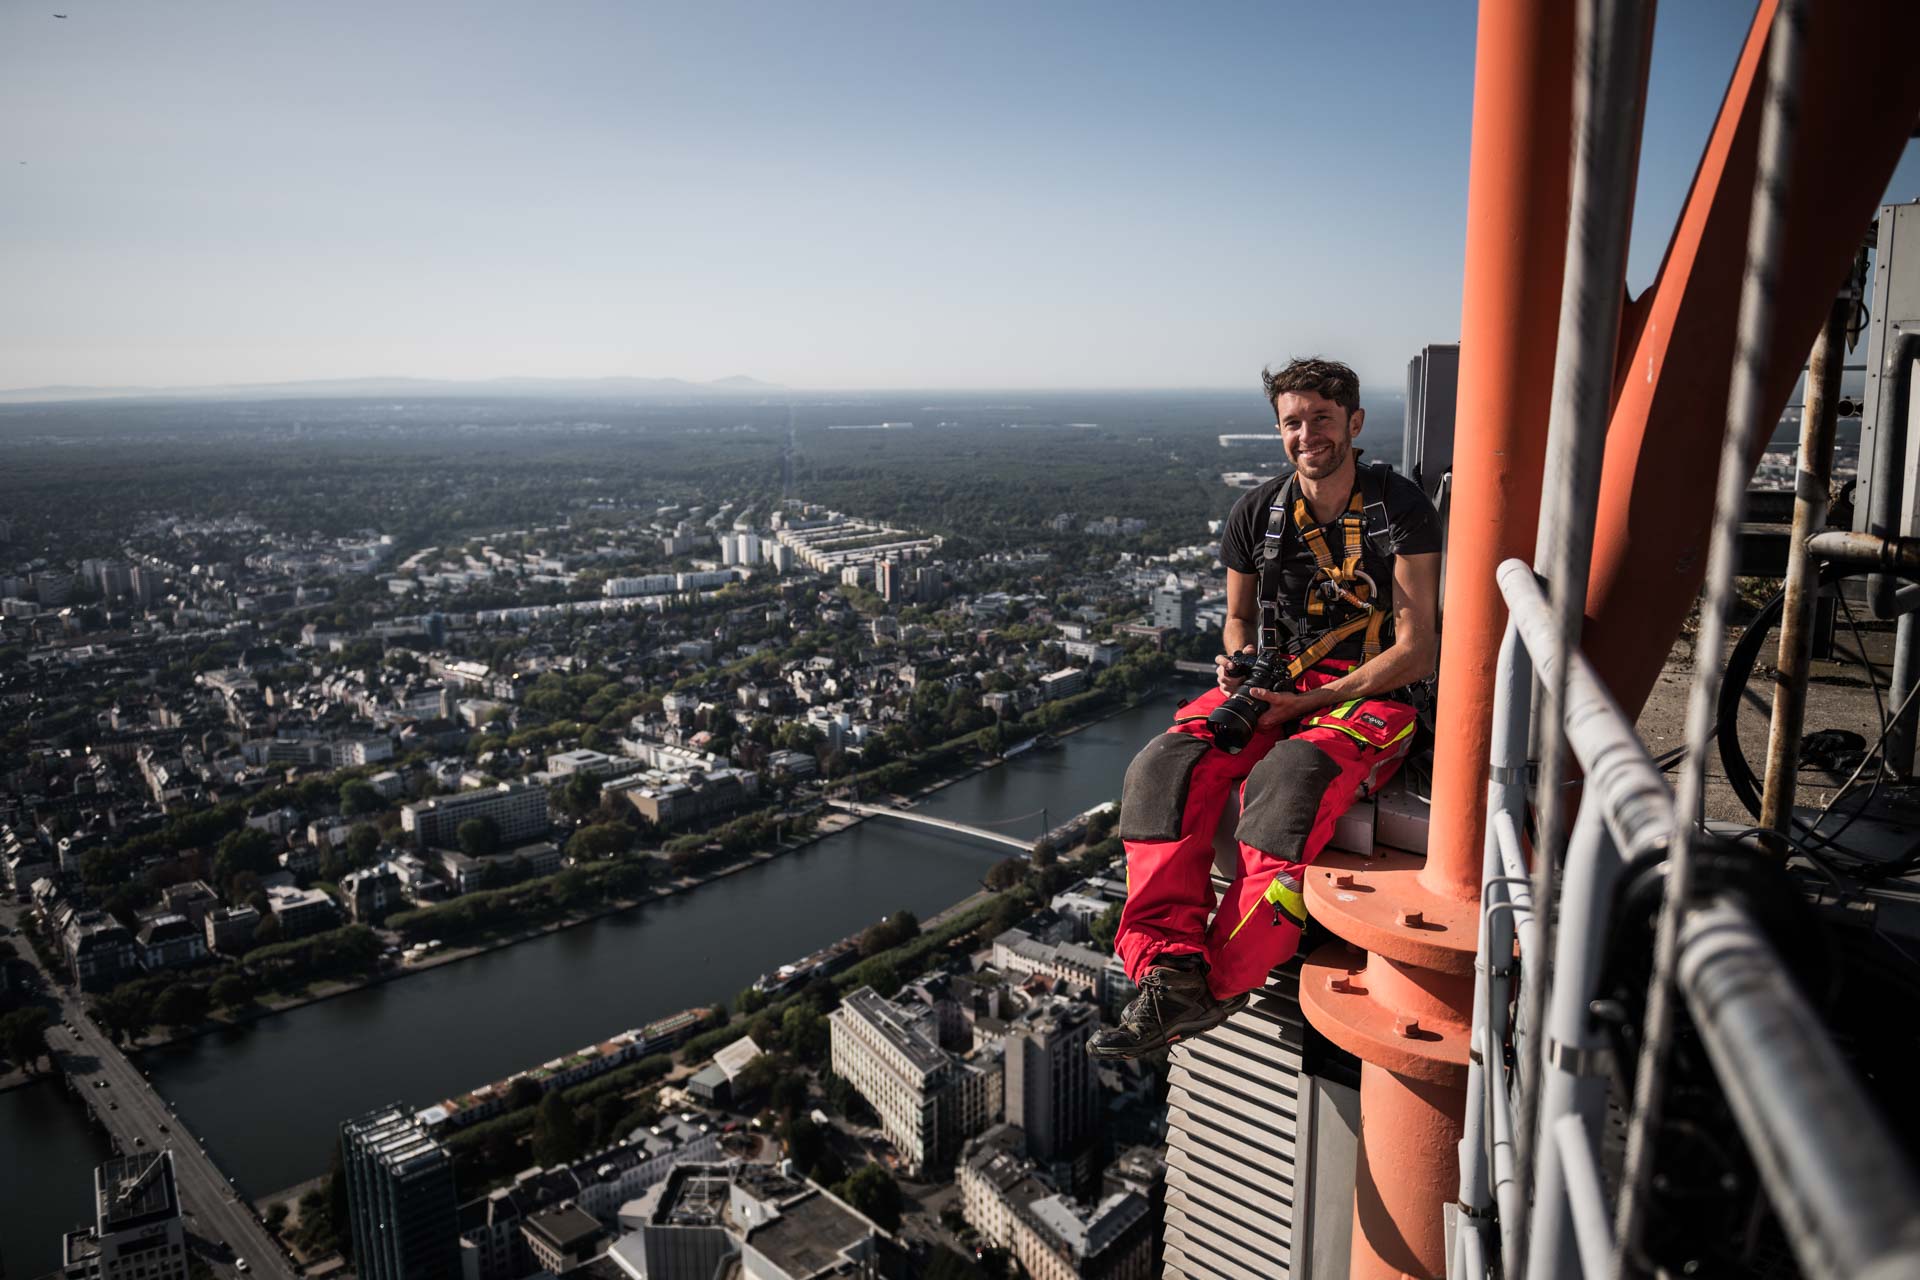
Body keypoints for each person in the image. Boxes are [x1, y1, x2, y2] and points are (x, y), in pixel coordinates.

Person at [1087, 358, 1441, 1060]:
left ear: (1355, 424)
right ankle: (1165, 966)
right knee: (1163, 768)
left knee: (1286, 785)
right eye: (1293, 422)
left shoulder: (1398, 509)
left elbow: (1417, 649)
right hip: (1275, 682)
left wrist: (1312, 700)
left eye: (1322, 419)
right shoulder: (1257, 513)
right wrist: (1238, 662)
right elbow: (1238, 620)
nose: (1306, 434)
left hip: (1367, 692)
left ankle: (1217, 984)